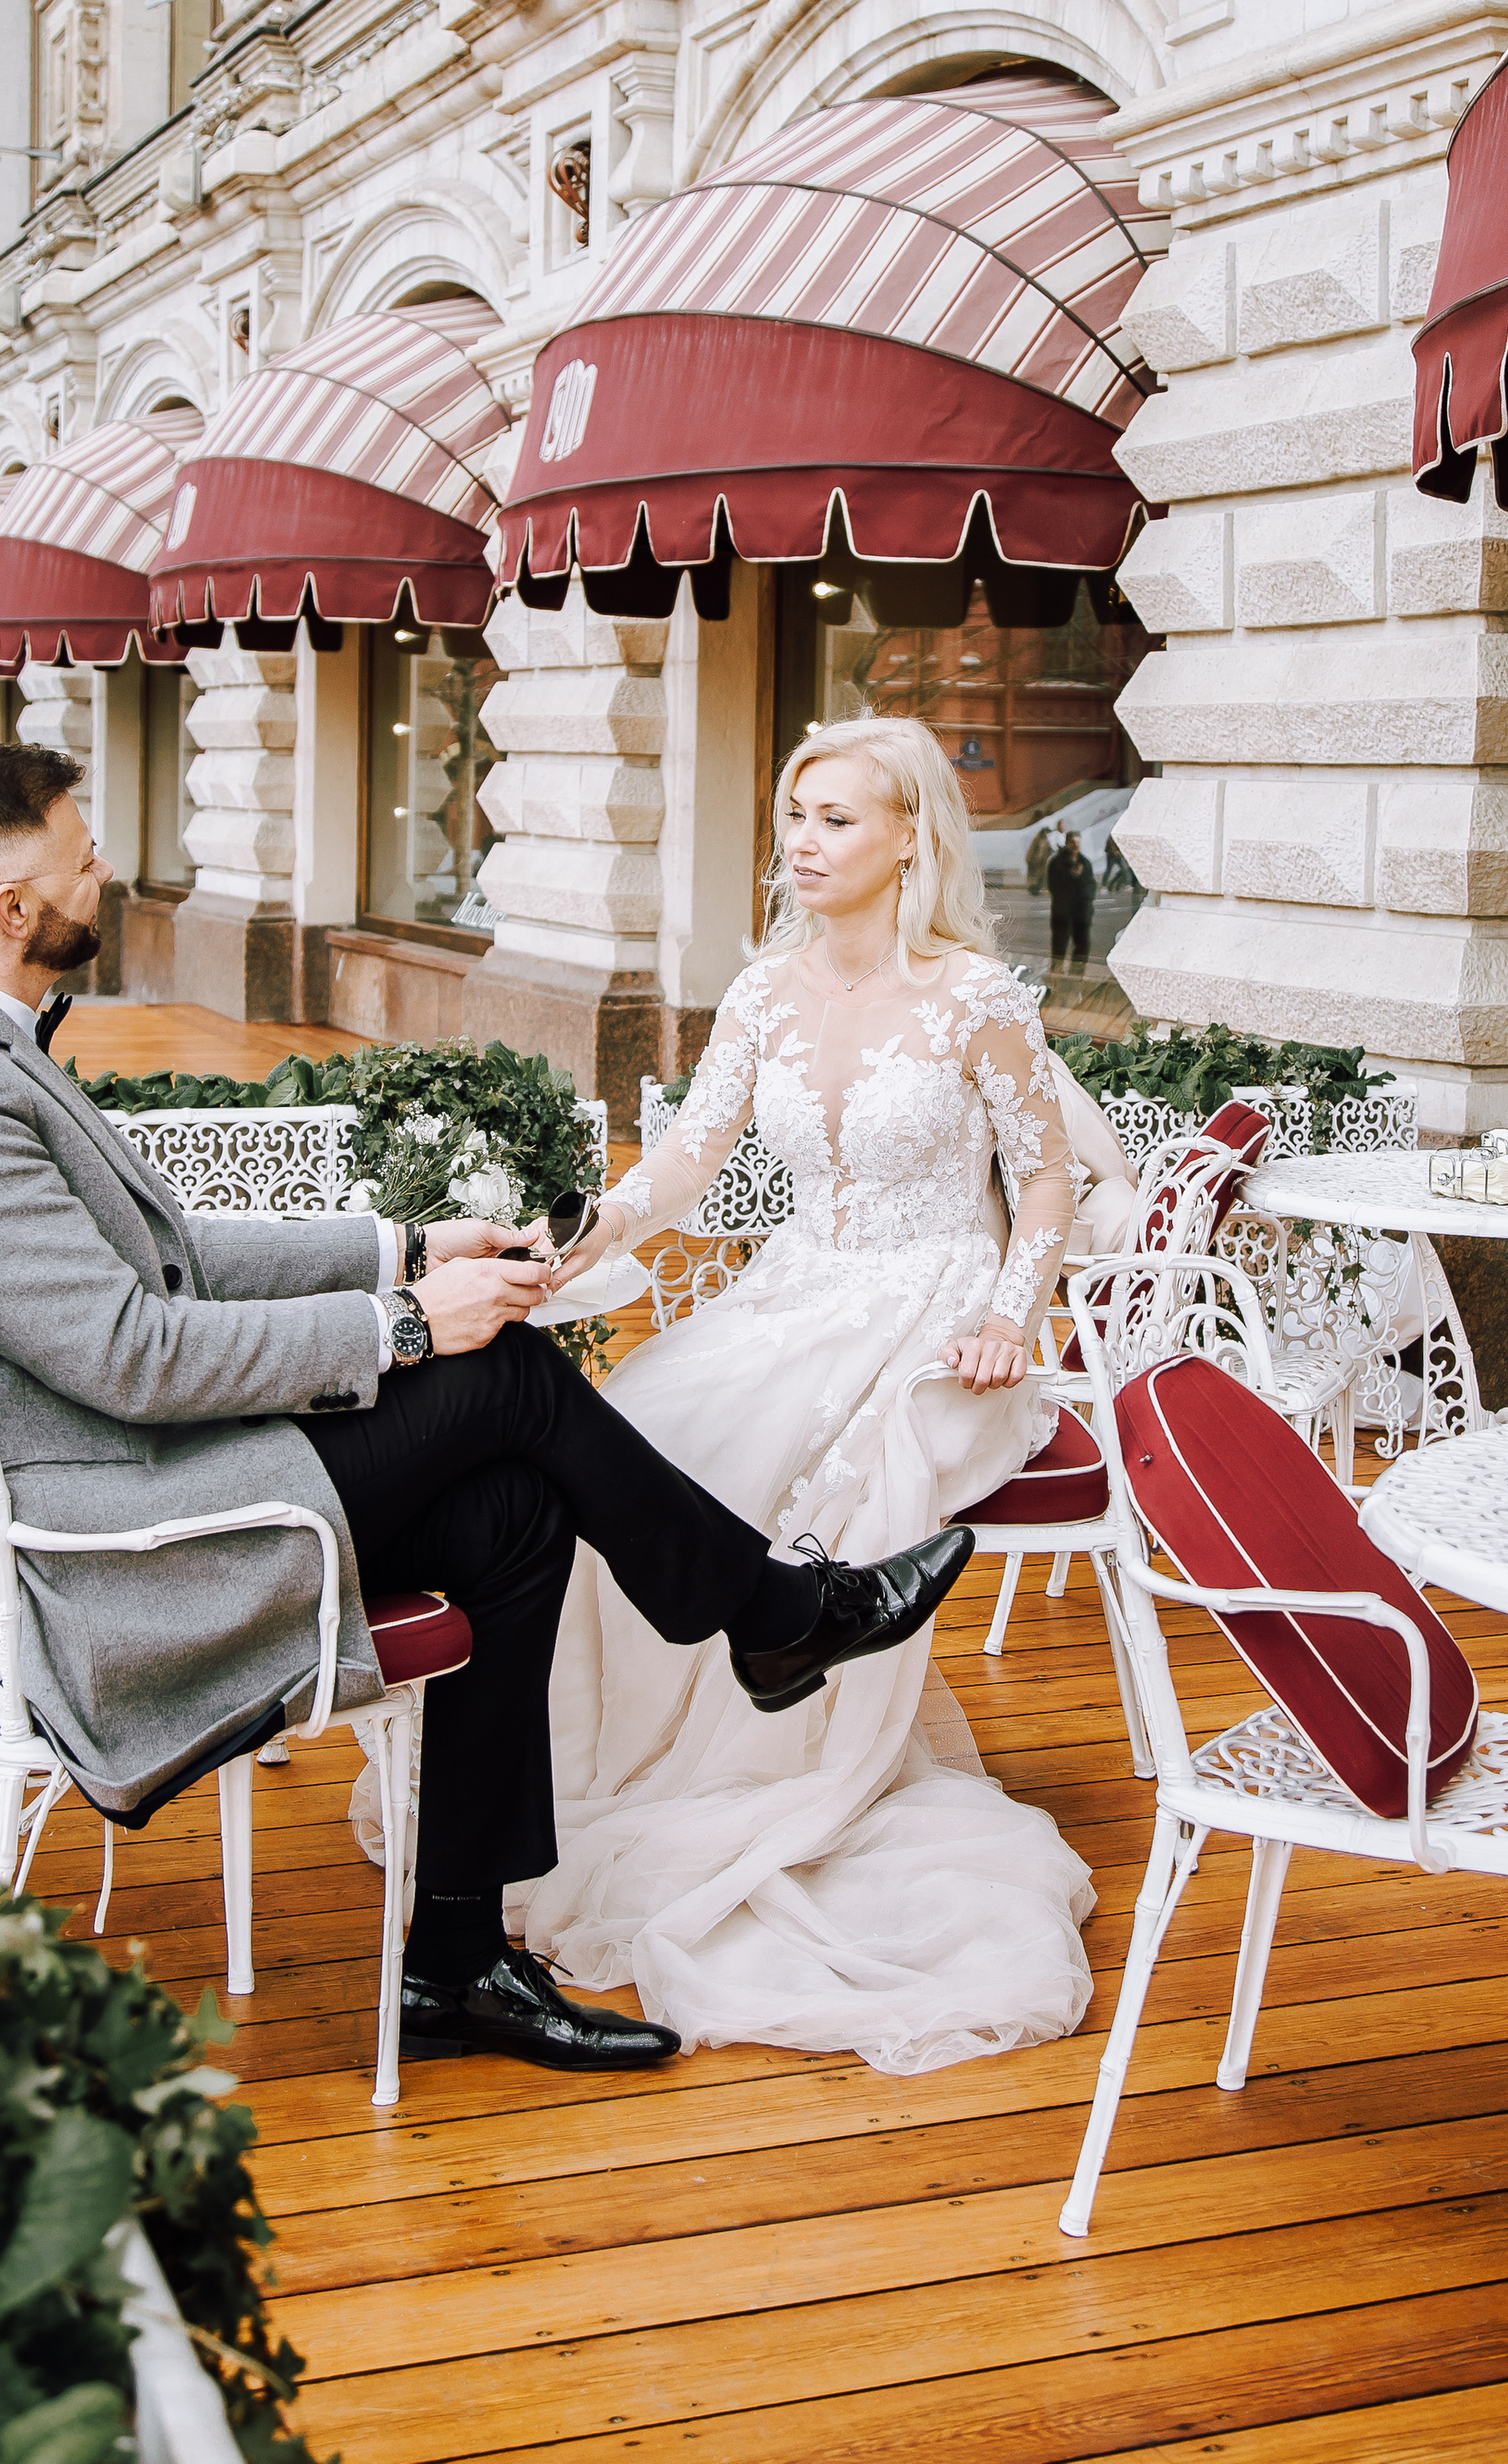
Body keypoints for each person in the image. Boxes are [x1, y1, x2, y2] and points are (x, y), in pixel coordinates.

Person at [0, 744, 974, 2079]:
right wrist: (408, 1325)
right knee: (502, 1376)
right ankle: (775, 1613)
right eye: (82, 858)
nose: (104, 874)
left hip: (122, 1474)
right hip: (92, 1547)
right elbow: (132, 1354)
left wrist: (404, 1249)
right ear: (15, 908)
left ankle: (457, 1962)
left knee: (513, 1511)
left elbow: (173, 1258)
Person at [533, 714, 1095, 2074]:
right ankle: (638, 1763)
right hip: (799, 1286)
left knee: (791, 1471)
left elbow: (1047, 1182)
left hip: (939, 1309)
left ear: (911, 837)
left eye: (837, 818)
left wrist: (1008, 1319)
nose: (804, 840)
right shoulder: (762, 995)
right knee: (641, 1435)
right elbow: (690, 1156)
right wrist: (605, 1225)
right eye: (796, 814)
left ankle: (781, 1759)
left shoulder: (978, 999)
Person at [1046, 828, 1096, 967]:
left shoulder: (1085, 863)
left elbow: (1091, 885)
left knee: (1082, 946)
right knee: (1059, 946)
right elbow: (1054, 886)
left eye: (1078, 842)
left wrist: (1087, 902)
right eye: (1073, 842)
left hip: (1081, 913)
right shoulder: (1057, 863)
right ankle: (1057, 973)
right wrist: (1071, 876)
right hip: (1062, 913)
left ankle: (1077, 974)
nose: (1076, 845)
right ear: (1067, 844)